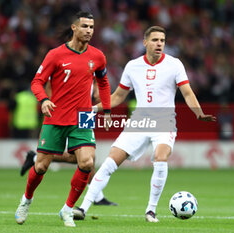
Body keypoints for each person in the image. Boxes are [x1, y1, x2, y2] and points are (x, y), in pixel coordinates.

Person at [73, 26, 216, 223]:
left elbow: (188, 92)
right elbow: (118, 96)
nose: (159, 44)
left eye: (162, 40)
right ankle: (83, 207)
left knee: (160, 158)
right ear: (145, 42)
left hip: (165, 121)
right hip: (139, 121)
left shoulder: (175, 65)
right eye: (155, 40)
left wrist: (198, 113)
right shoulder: (133, 66)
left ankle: (151, 210)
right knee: (109, 163)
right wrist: (94, 109)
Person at [15, 11, 111, 228]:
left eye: (92, 27)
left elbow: (103, 83)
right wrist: (44, 100)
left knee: (87, 162)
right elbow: (37, 81)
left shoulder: (97, 56)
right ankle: (26, 200)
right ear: (74, 28)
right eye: (85, 26)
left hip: (84, 116)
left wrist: (106, 109)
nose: (89, 31)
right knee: (40, 167)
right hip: (56, 115)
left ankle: (67, 209)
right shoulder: (55, 55)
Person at [20, 150, 118, 206]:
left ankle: (98, 197)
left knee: (86, 158)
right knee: (84, 158)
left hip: (82, 117)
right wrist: (107, 113)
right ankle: (36, 158)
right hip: (71, 119)